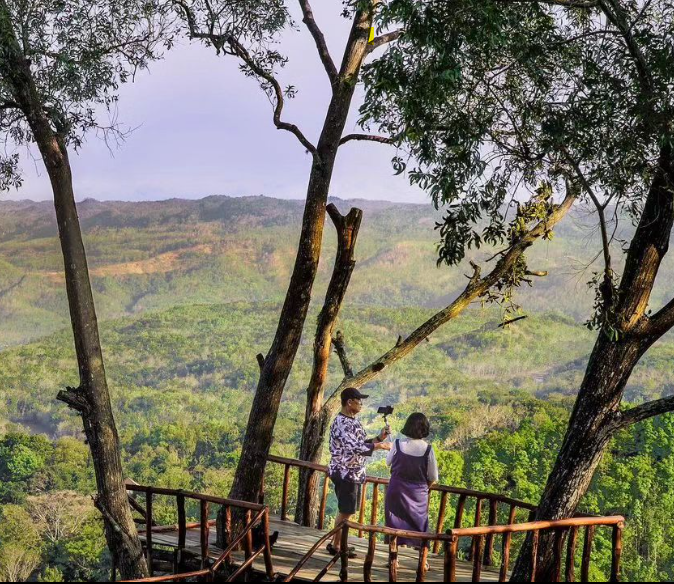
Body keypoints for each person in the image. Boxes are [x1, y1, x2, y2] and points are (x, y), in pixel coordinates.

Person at [326, 387, 391, 557]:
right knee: (346, 510)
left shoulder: (352, 421)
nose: (361, 404)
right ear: (349, 402)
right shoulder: (341, 422)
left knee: (345, 510)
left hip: (352, 472)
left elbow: (361, 443)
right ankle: (338, 547)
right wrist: (380, 446)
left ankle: (336, 544)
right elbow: (354, 447)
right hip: (345, 472)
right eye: (359, 400)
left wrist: (379, 438)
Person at [384, 412, 438, 550]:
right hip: (418, 495)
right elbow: (433, 477)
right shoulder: (428, 450)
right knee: (420, 526)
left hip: (396, 491)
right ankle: (423, 560)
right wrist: (423, 488)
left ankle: (393, 559)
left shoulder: (397, 444)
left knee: (394, 525)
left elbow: (388, 462)